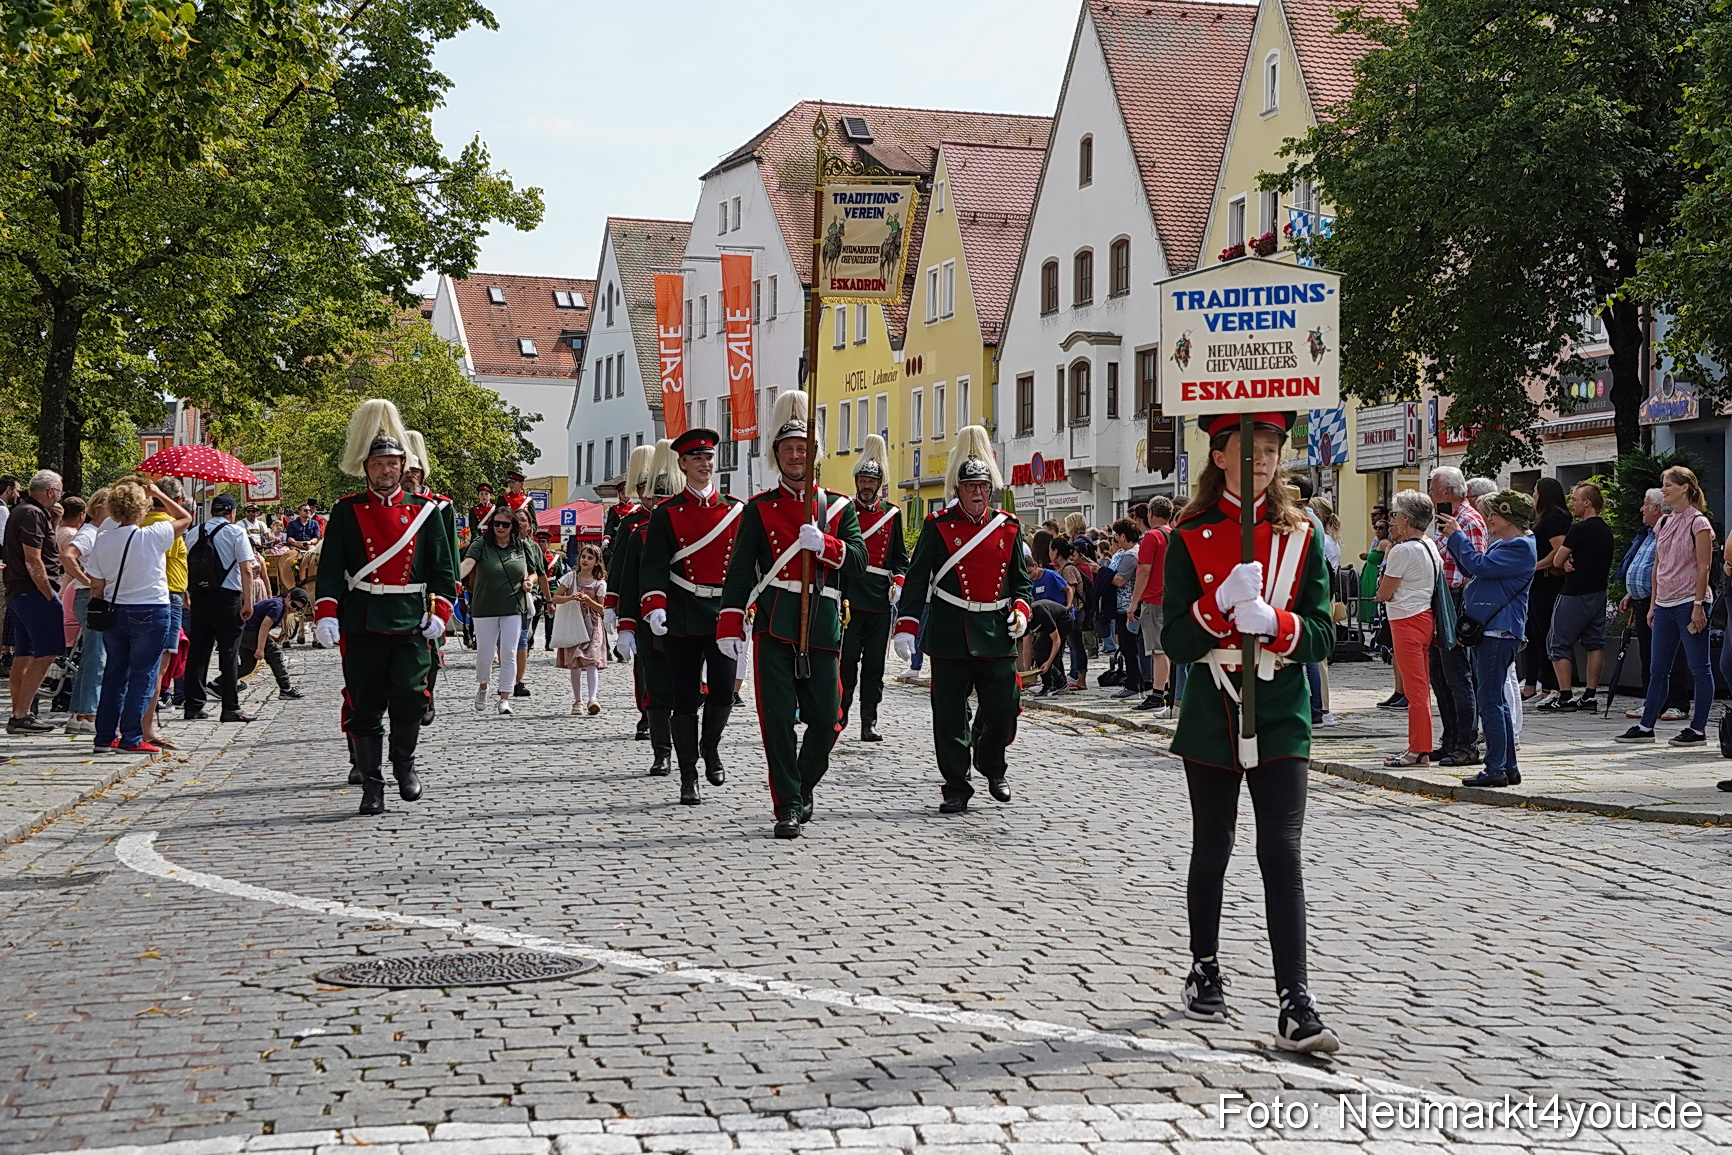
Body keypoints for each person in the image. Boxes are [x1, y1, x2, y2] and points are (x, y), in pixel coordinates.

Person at [1161, 410, 1338, 1055]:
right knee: (1212, 845)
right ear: (1218, 455)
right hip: (1213, 705)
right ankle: (1204, 964)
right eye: (1246, 448)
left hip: (1281, 703)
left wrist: (1274, 623)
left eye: (1269, 449)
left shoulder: (1301, 535)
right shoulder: (1189, 535)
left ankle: (1295, 1001)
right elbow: (1177, 641)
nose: (1260, 460)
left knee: (1281, 852)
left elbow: (1322, 632)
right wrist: (1216, 608)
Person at [717, 391, 866, 837]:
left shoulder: (839, 508)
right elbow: (740, 572)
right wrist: (729, 623)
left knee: (828, 719)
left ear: (814, 454)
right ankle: (787, 804)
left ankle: (802, 783)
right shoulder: (759, 509)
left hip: (822, 623)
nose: (796, 456)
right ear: (777, 454)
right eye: (788, 449)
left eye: (803, 448)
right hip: (774, 623)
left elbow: (859, 562)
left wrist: (827, 545)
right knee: (777, 721)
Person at [315, 399, 458, 814]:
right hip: (362, 618)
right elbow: (331, 569)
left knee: (412, 696)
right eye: (377, 464)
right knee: (363, 704)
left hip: (410, 618)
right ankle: (372, 784)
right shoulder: (346, 510)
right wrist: (326, 613)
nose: (385, 470)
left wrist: (440, 611)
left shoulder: (425, 512)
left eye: (392, 463)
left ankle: (404, 764)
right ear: (366, 468)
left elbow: (442, 569)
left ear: (403, 466)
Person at [893, 426, 1033, 815]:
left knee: (1005, 708)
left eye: (983, 486)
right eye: (970, 486)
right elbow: (917, 579)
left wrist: (1022, 610)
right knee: (950, 716)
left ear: (991, 489)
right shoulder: (938, 525)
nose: (977, 492)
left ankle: (991, 764)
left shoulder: (1007, 526)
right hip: (951, 631)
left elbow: (1021, 582)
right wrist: (906, 625)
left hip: (996, 632)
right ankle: (956, 785)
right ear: (958, 489)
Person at [640, 427, 745, 804]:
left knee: (723, 689)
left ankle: (710, 746)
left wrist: (746, 607)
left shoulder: (735, 510)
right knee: (684, 697)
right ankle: (688, 774)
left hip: (722, 614)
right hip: (682, 613)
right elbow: (653, 565)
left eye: (709, 457)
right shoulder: (667, 513)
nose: (705, 463)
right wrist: (654, 605)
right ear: (682, 464)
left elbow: (747, 565)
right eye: (696, 458)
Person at [83, 479, 193, 754]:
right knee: (143, 675)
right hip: (150, 608)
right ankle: (131, 737)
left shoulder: (103, 539)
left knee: (114, 674)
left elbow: (96, 585)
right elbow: (185, 518)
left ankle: (104, 736)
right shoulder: (153, 535)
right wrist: (158, 493)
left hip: (114, 610)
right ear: (142, 508)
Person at [1438, 490, 1536, 788]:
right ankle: (1508, 766)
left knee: (1490, 701)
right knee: (1495, 700)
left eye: (1494, 514)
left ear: (1509, 517)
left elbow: (1478, 566)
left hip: (1498, 631)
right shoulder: (1506, 544)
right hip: (1492, 629)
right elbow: (1475, 567)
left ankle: (1495, 768)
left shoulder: (1519, 547)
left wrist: (1457, 536)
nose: (1489, 518)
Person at [1617, 466, 1716, 747]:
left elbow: (1704, 567)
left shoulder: (1699, 523)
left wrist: (1698, 604)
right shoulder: (1663, 523)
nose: (1664, 489)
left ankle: (1698, 729)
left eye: (1668, 484)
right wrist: (1653, 605)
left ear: (1685, 487)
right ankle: (1646, 726)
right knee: (1658, 668)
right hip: (1663, 604)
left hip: (1688, 602)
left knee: (1699, 667)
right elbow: (1658, 567)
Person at [612, 441, 678, 774]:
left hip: (683, 609)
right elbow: (622, 571)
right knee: (647, 671)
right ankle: (649, 720)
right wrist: (617, 610)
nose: (652, 498)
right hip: (642, 608)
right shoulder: (633, 526)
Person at [838, 434, 906, 742]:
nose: (866, 486)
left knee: (874, 665)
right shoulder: (845, 511)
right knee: (846, 661)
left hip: (879, 599)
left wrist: (899, 582)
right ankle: (840, 714)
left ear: (879, 484)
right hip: (850, 598)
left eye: (871, 481)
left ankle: (869, 721)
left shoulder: (891, 514)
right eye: (863, 480)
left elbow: (900, 559)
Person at [1375, 490, 1441, 767]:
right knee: (1420, 687)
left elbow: (1384, 593)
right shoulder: (1429, 544)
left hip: (1406, 620)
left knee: (1415, 691)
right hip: (1424, 616)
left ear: (1407, 518)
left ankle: (1419, 749)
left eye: (1395, 515)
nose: (1392, 520)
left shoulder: (1403, 550)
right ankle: (1420, 746)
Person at [180, 493, 257, 723]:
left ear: (212, 511)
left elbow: (186, 565)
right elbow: (246, 569)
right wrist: (248, 601)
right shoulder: (236, 532)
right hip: (227, 598)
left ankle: (193, 705)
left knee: (198, 652)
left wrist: (186, 593)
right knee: (229, 652)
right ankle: (230, 707)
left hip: (200, 596)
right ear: (232, 512)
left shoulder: (194, 532)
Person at [1614, 489, 1688, 723]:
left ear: (1656, 508)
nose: (1641, 508)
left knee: (1671, 655)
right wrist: (1631, 592)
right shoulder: (1648, 533)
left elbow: (1666, 567)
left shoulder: (1669, 531)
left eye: (1645, 504)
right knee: (1648, 655)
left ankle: (1677, 703)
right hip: (1644, 601)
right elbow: (1645, 566)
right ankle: (1653, 701)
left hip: (1665, 601)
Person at [1426, 466, 1482, 765]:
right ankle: (1449, 741)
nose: (1430, 494)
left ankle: (1466, 743)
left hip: (1458, 599)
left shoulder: (1468, 521)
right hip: (1442, 597)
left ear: (1446, 491)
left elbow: (1474, 567)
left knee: (1459, 676)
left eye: (1432, 488)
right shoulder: (1445, 520)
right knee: (1440, 675)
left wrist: (1466, 614)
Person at [1540, 481, 1613, 712]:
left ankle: (1565, 695)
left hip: (1574, 593)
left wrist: (1566, 561)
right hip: (1598, 593)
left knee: (1558, 643)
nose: (1571, 503)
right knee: (1594, 643)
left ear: (1587, 502)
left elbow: (1557, 559)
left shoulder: (1579, 530)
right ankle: (1590, 695)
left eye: (1575, 499)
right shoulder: (1606, 531)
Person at [3, 470, 67, 733]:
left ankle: (20, 712)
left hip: (21, 592)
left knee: (25, 653)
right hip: (33, 592)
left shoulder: (27, 511)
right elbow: (33, 558)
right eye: (59, 491)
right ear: (50, 491)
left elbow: (44, 549)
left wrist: (55, 522)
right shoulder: (31, 513)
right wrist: (49, 594)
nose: (60, 496)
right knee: (47, 652)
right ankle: (21, 714)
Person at [463, 504, 534, 715]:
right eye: (496, 524)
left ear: (513, 526)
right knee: (485, 654)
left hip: (513, 606)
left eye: (505, 524)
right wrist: (453, 577)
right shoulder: (481, 544)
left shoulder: (521, 546)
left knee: (509, 652)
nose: (500, 528)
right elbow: (468, 564)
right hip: (485, 606)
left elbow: (533, 572)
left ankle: (505, 698)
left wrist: (529, 581)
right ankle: (483, 685)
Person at [61, 488, 111, 735]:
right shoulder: (91, 533)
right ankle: (89, 714)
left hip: (88, 597)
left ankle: (79, 714)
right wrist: (87, 580)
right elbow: (68, 555)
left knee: (92, 655)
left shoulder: (97, 532)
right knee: (97, 655)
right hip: (89, 597)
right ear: (100, 508)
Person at [1523, 477, 1570, 703]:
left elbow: (1560, 549)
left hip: (1547, 583)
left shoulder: (1553, 519)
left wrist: (1536, 566)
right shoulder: (1546, 518)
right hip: (1539, 583)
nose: (1533, 495)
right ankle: (1543, 684)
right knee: (1536, 634)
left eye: (1535, 491)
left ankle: (1552, 686)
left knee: (1546, 634)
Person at [1130, 496, 1174, 713]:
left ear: (1151, 514)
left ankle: (1157, 694)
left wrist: (1134, 602)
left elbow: (1144, 570)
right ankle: (1169, 690)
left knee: (1157, 649)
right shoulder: (1174, 535)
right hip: (1171, 598)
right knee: (1168, 649)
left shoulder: (1151, 536)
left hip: (1154, 598)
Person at [553, 543, 609, 715]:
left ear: (596, 562)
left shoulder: (599, 583)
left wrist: (588, 600)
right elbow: (556, 598)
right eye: (583, 556)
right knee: (575, 663)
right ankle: (578, 700)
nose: (585, 560)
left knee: (591, 660)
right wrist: (571, 597)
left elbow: (601, 609)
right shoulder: (570, 577)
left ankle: (593, 698)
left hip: (592, 625)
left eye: (590, 558)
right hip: (573, 622)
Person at [237, 587, 308, 698]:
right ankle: (286, 689)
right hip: (249, 633)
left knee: (247, 666)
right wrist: (260, 649)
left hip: (244, 632)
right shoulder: (278, 607)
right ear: (288, 597)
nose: (294, 609)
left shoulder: (278, 604)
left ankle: (219, 684)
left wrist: (271, 636)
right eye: (293, 605)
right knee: (275, 655)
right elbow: (264, 626)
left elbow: (259, 622)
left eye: (298, 609)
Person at [1107, 518, 1146, 700]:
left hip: (1128, 606)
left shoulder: (1131, 555)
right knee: (1127, 645)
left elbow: (1120, 580)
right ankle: (1136, 681)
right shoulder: (1126, 552)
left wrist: (1103, 573)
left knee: (1129, 646)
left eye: (1117, 535)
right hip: (1123, 605)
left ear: (1123, 536)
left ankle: (1133, 684)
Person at [1052, 538, 1090, 690]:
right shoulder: (1062, 568)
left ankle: (1081, 679)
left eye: (1051, 550)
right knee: (1073, 645)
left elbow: (1071, 591)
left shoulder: (1068, 569)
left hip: (1075, 611)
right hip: (1070, 612)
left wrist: (1067, 607)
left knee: (1076, 646)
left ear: (1056, 551)